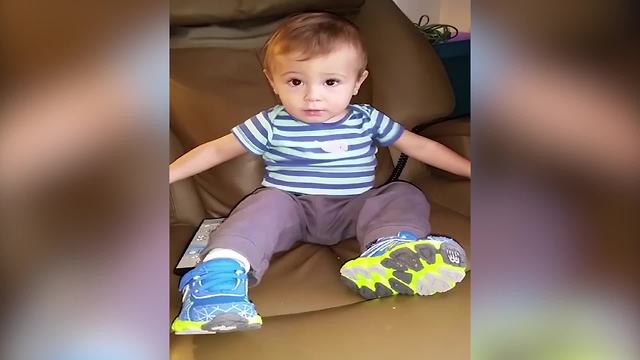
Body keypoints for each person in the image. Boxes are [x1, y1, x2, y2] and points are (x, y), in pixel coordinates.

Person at [169, 12, 471, 335]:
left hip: (354, 208)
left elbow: (421, 147)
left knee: (403, 193)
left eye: (330, 82)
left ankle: (389, 251)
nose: (312, 96)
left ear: (357, 82)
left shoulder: (367, 119)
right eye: (296, 82)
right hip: (291, 207)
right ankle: (216, 281)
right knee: (262, 206)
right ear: (273, 81)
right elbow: (216, 150)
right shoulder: (271, 122)